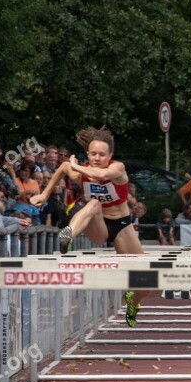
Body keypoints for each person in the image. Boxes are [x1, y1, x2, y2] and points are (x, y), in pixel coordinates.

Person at [31, 126, 145, 327]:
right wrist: (44, 194)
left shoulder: (117, 169)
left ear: (110, 155)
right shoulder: (79, 171)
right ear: (88, 154)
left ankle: (133, 304)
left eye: (102, 154)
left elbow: (100, 175)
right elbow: (63, 168)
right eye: (93, 154)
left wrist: (76, 166)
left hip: (122, 226)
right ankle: (69, 234)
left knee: (146, 281)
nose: (97, 158)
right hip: (98, 224)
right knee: (93, 204)